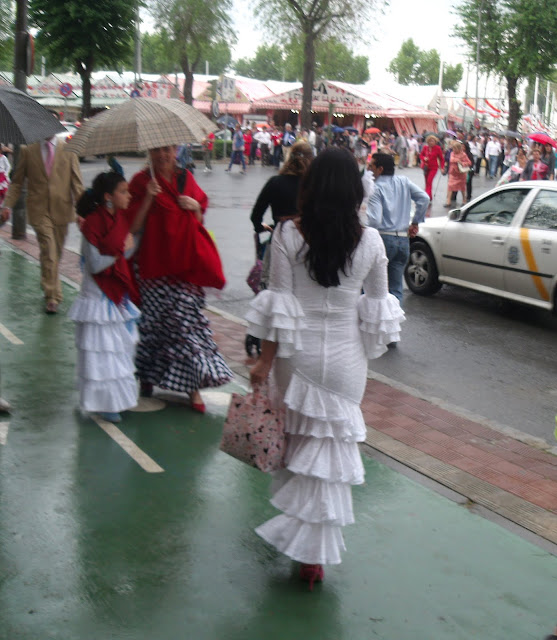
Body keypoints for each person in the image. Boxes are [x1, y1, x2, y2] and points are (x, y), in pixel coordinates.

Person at [247, 147, 404, 589]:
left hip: (295, 360)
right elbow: (377, 312)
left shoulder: (287, 235)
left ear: (311, 186)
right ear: (356, 189)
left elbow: (280, 307)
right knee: (330, 455)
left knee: (298, 446)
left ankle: (303, 542)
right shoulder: (371, 241)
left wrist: (264, 360)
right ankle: (314, 557)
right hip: (345, 361)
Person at [126, 146, 232, 413]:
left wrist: (195, 207)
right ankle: (148, 378)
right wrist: (149, 198)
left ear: (175, 151)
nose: (163, 156)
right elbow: (132, 227)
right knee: (153, 326)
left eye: (168, 150)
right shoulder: (141, 182)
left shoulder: (185, 178)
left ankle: (192, 388)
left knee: (185, 326)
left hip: (185, 267)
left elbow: (198, 219)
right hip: (152, 267)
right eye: (157, 151)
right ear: (149, 154)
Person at [69, 172, 141, 423]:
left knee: (117, 351)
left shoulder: (119, 219)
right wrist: (123, 249)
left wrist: (126, 249)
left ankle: (115, 400)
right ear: (108, 197)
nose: (128, 195)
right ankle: (102, 402)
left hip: (115, 296)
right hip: (97, 297)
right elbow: (96, 264)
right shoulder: (91, 223)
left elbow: (124, 257)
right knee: (101, 354)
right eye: (123, 191)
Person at [1, 135, 84, 314]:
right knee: (49, 251)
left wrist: (83, 212)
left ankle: (50, 283)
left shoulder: (69, 150)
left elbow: (77, 184)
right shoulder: (27, 151)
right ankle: (52, 295)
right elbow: (17, 183)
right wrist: (7, 205)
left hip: (62, 210)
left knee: (56, 254)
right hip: (39, 211)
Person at [367, 153, 430, 309]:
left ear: (380, 169)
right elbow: (424, 198)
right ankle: (394, 325)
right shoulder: (403, 181)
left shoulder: (375, 188)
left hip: (383, 239)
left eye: (371, 165)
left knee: (371, 288)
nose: (368, 168)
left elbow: (374, 220)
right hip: (402, 240)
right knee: (396, 289)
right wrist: (415, 221)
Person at [250, 141, 313, 234]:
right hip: (308, 240)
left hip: (280, 238)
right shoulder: (314, 184)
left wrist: (260, 227)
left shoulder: (274, 182)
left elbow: (256, 215)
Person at [444, 140, 472, 207]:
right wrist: (457, 160)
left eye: (455, 148)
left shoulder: (464, 154)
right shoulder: (452, 153)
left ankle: (464, 200)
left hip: (461, 173)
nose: (453, 150)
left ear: (458, 148)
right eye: (453, 148)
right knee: (450, 186)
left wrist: (462, 163)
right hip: (453, 173)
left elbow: (469, 163)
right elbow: (451, 159)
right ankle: (448, 201)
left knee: (462, 188)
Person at [419, 135, 444, 200]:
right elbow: (421, 155)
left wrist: (442, 167)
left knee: (429, 181)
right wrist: (424, 158)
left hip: (434, 167)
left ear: (435, 142)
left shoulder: (437, 148)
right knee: (426, 182)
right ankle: (429, 196)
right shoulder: (425, 147)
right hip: (426, 167)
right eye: (430, 141)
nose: (431, 142)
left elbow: (441, 159)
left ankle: (426, 196)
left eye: (432, 141)